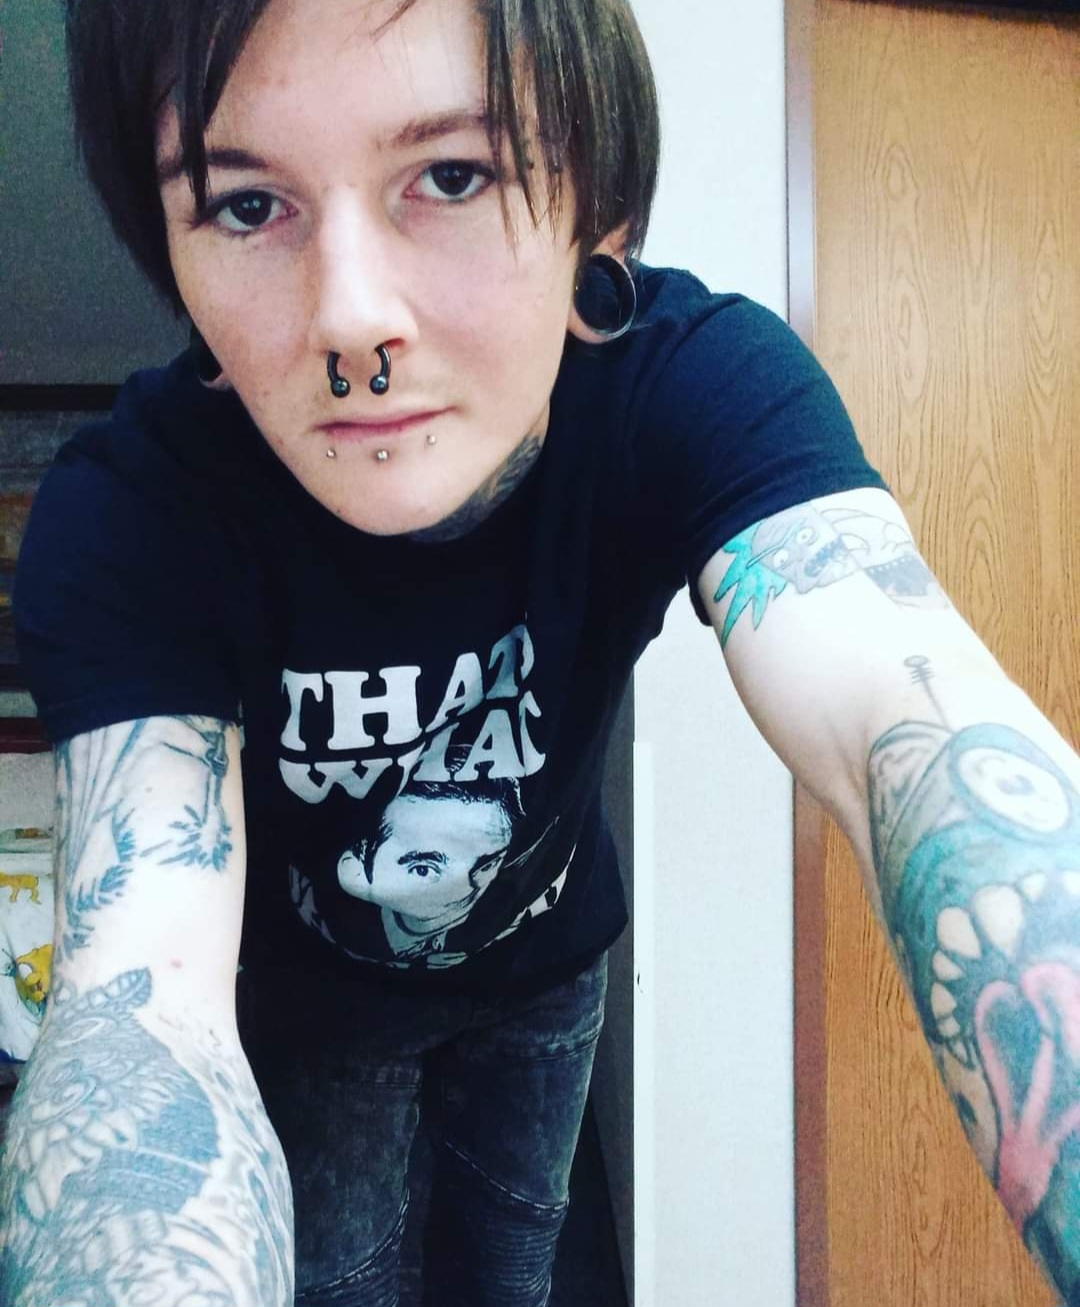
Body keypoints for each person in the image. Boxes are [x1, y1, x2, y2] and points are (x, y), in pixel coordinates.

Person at [1, 0, 1077, 1303]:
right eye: (247, 206)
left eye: (452, 176)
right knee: (348, 1276)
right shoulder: (133, 516)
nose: (351, 319)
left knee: (516, 1257)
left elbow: (899, 711)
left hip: (546, 972)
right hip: (312, 1007)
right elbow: (141, 979)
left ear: (597, 217)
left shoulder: (690, 385)